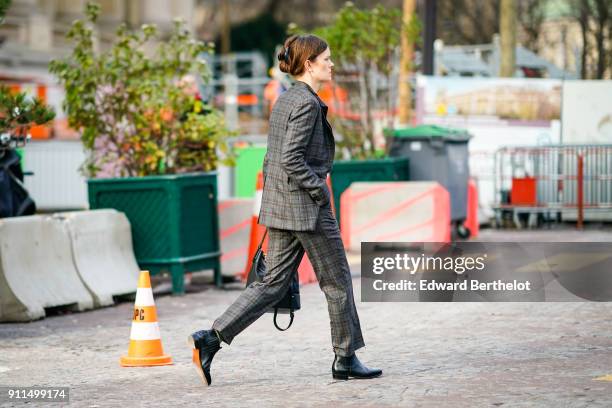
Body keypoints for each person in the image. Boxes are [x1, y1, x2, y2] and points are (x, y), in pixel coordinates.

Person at [188, 34, 382, 386]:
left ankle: (210, 339)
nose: (332, 64)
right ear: (309, 64)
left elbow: (274, 156)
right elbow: (291, 157)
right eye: (326, 59)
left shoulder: (285, 99)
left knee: (272, 284)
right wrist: (318, 190)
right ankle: (345, 358)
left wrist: (282, 198)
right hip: (307, 209)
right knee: (337, 281)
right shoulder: (306, 103)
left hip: (281, 206)